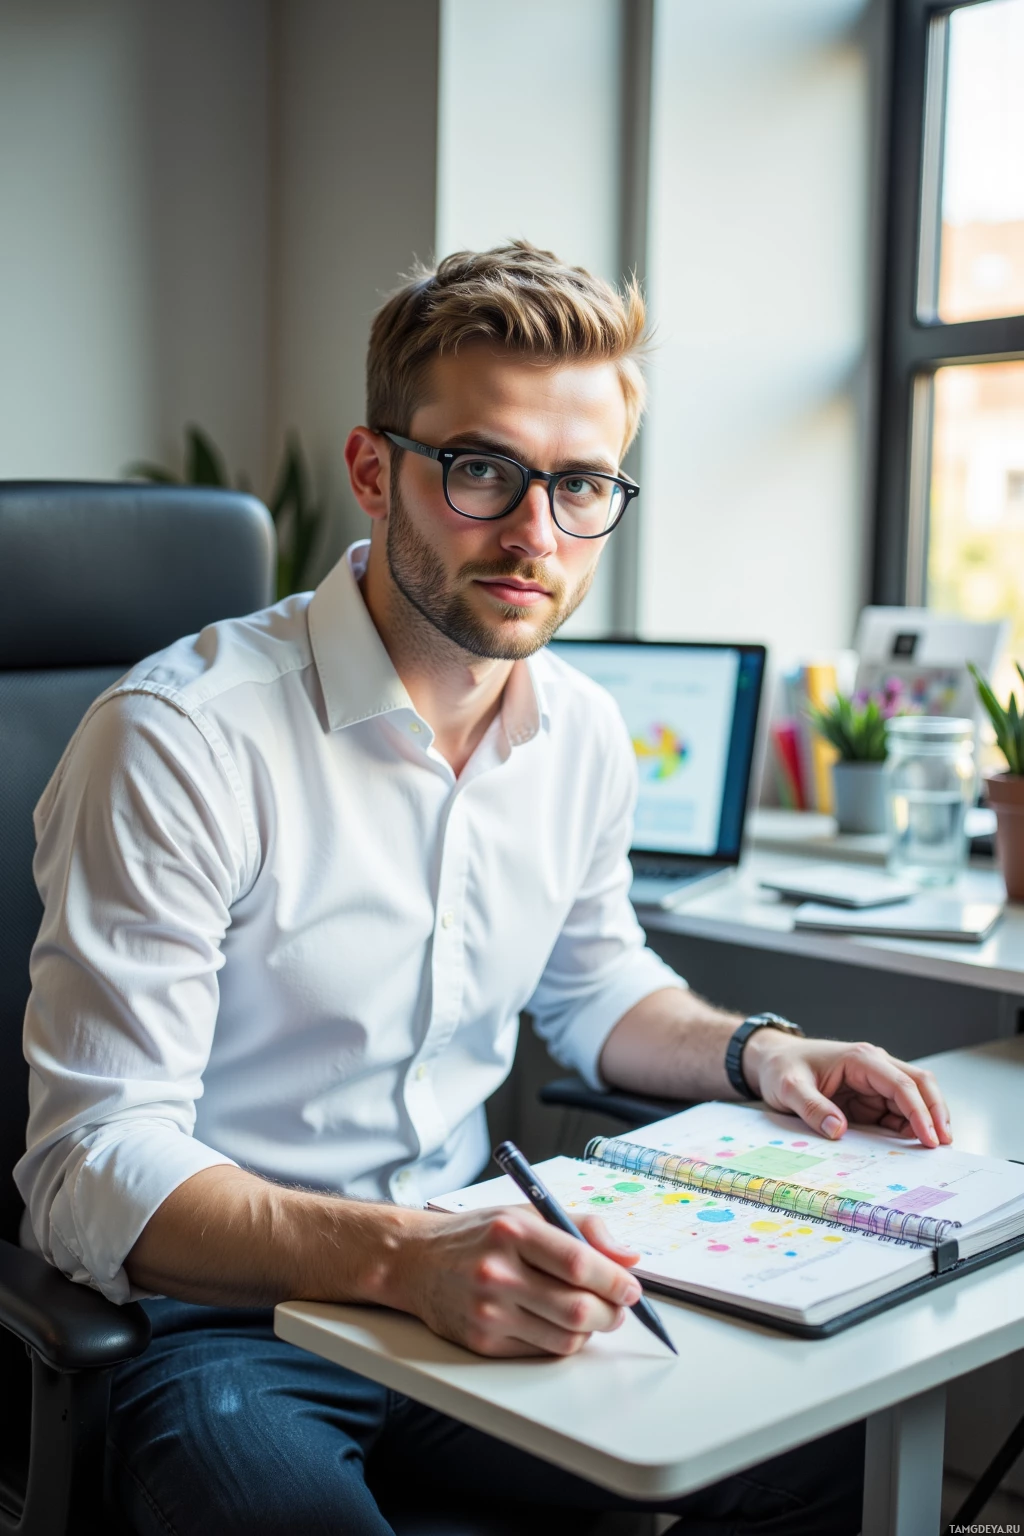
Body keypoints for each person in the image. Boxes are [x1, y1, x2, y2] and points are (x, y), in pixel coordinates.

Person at [16, 242, 951, 1536]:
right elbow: (88, 1167)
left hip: (480, 1279)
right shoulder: (184, 741)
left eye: (579, 486)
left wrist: (760, 1052)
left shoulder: (582, 733)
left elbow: (598, 986)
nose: (534, 534)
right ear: (370, 470)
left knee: (821, 1457)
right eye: (480, 470)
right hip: (230, 1322)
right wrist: (407, 1260)